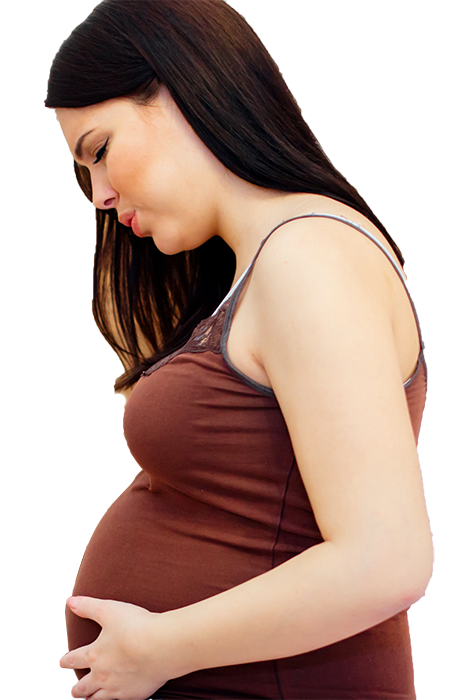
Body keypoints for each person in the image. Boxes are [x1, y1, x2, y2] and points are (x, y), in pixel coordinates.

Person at [46, 1, 433, 698]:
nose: (99, 195)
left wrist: (159, 649)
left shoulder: (308, 256)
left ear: (181, 89)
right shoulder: (267, 264)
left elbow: (386, 558)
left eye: (100, 151)